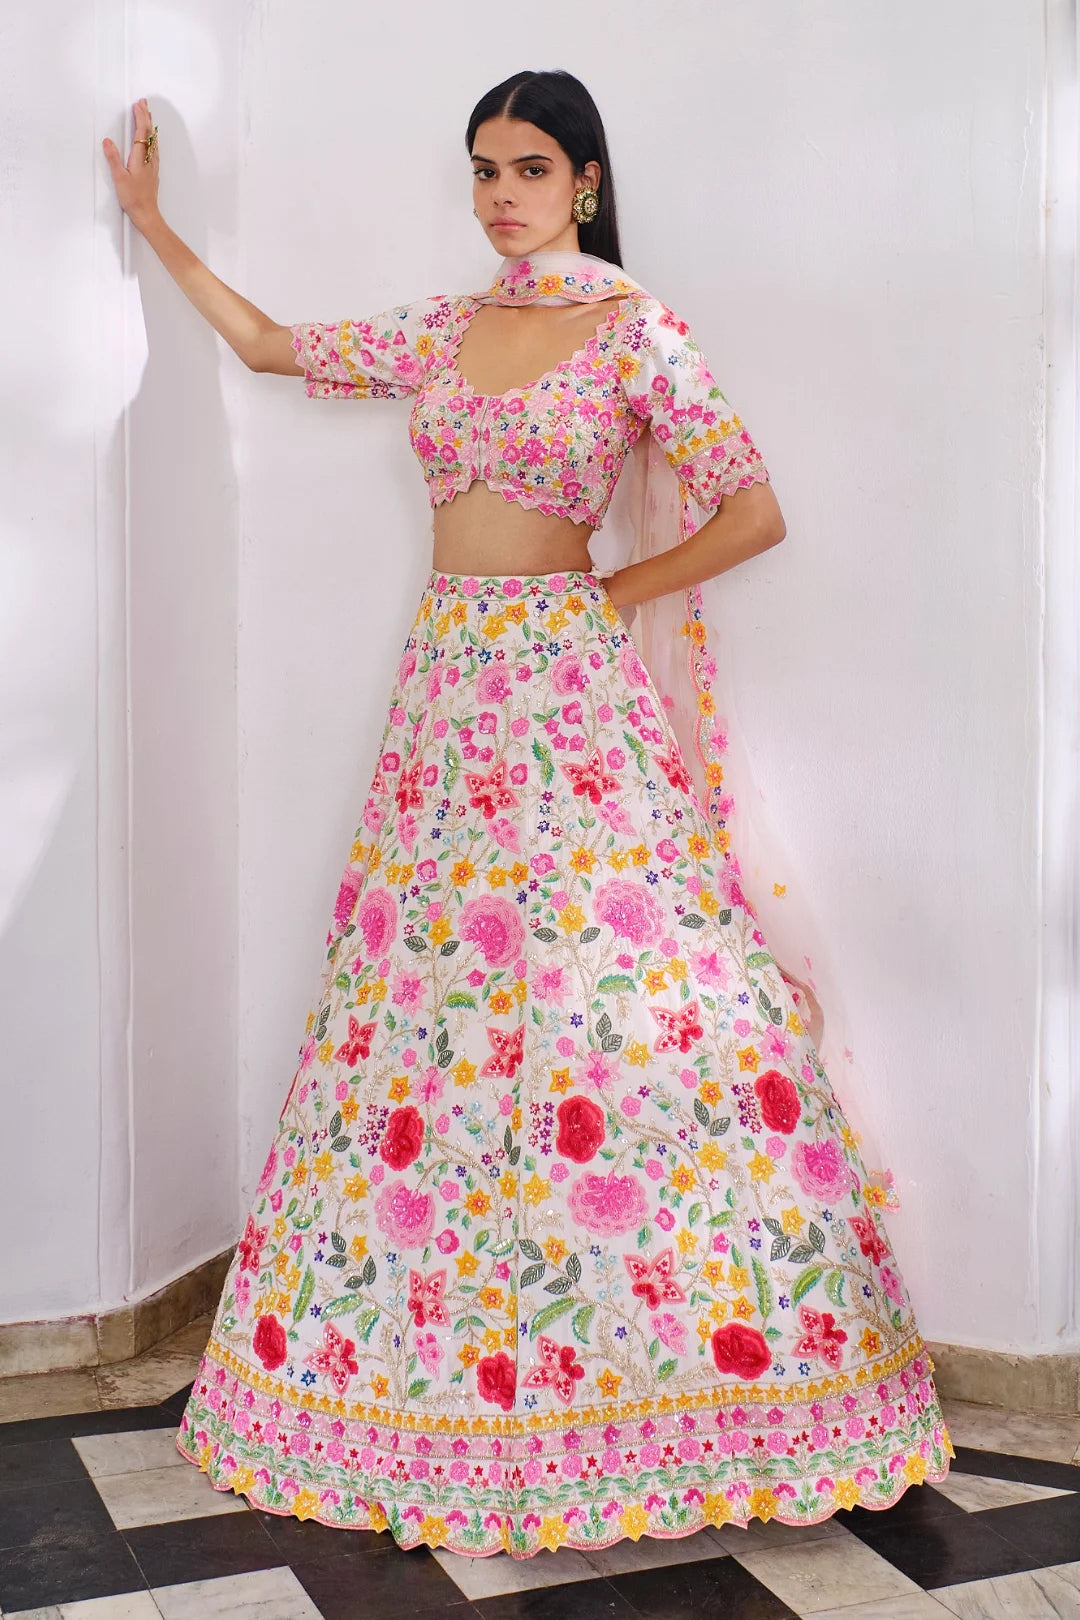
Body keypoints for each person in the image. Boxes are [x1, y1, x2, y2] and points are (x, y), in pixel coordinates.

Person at [103, 68, 953, 1560]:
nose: (503, 195)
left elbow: (752, 508)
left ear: (586, 182)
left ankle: (679, 1377)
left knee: (617, 999)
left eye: (532, 169)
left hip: (569, 698)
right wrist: (156, 226)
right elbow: (273, 347)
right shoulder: (446, 327)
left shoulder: (635, 330)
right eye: (486, 170)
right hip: (446, 695)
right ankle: (433, 1368)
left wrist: (607, 596)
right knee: (430, 1012)